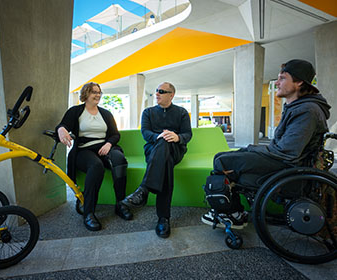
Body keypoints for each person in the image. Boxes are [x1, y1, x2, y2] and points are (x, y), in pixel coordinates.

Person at [202, 59, 331, 229]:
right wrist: (249, 149)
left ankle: (232, 214)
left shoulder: (307, 110)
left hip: (288, 168)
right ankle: (233, 211)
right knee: (225, 156)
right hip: (287, 164)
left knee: (222, 161)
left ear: (299, 83)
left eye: (282, 78)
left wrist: (251, 149)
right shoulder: (299, 107)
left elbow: (287, 151)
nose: (276, 83)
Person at [56, 82, 133, 231]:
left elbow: (115, 134)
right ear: (85, 94)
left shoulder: (105, 113)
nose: (98, 95)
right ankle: (89, 212)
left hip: (104, 147)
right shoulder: (76, 111)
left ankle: (120, 204)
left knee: (119, 161)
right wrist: (61, 130)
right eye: (94, 92)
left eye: (99, 92)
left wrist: (109, 144)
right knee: (96, 166)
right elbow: (63, 125)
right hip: (83, 150)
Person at [121, 82, 192, 238]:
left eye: (161, 91)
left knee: (166, 142)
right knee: (164, 152)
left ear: (171, 95)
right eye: (156, 91)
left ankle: (144, 189)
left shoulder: (181, 112)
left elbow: (188, 134)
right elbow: (145, 133)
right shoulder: (148, 112)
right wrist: (158, 136)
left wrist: (177, 137)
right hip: (153, 151)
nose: (157, 94)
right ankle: (163, 218)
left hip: (176, 151)